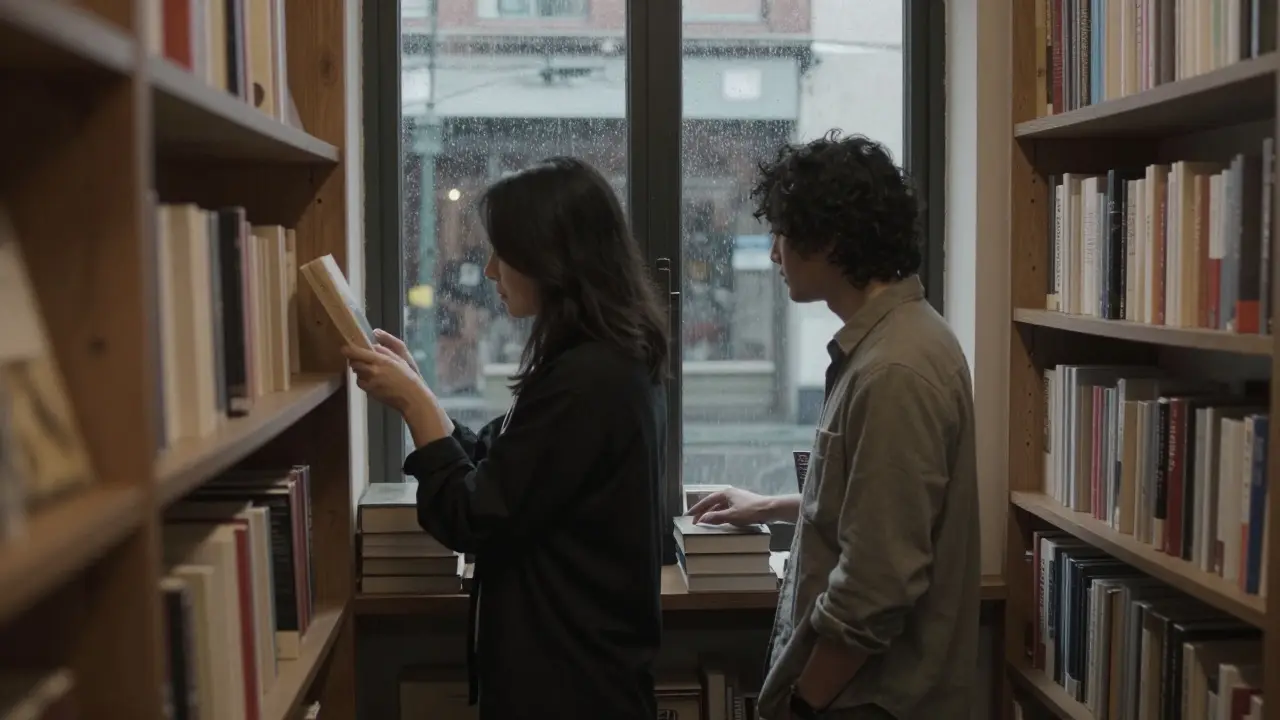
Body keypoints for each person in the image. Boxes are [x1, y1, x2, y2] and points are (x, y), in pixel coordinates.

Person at [345, 157, 669, 720]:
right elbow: (509, 468)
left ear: (552, 260)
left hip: (570, 688)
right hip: (574, 676)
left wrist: (414, 405)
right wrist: (424, 395)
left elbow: (473, 516)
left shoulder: (591, 379)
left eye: (503, 253)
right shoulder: (596, 361)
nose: (490, 271)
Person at [688, 131, 980, 720]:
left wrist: (803, 702)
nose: (774, 254)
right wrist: (770, 505)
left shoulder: (895, 369)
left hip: (867, 701)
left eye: (784, 234)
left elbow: (879, 581)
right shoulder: (891, 344)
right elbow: (879, 505)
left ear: (831, 239)